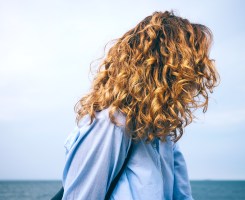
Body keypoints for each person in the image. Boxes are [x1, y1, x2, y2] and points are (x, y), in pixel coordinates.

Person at [61, 10, 220, 200]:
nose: (198, 76)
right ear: (167, 69)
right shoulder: (112, 124)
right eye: (192, 66)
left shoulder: (164, 135)